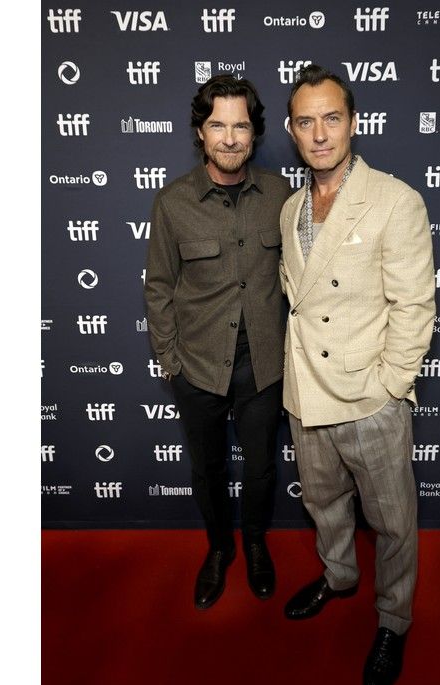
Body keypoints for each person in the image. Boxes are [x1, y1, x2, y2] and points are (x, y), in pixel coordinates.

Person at [279, 65, 436, 685]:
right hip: (307, 393)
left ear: (354, 123)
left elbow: (414, 305)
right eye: (306, 121)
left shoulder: (396, 200)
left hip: (370, 399)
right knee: (322, 504)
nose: (320, 133)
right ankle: (340, 576)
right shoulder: (291, 207)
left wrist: (391, 385)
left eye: (332, 118)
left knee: (394, 522)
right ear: (292, 132)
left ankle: (393, 620)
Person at [144, 75, 292, 610]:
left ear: (254, 132)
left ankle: (254, 544)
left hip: (264, 367)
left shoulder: (281, 195)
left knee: (260, 468)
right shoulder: (173, 203)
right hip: (199, 367)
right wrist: (169, 361)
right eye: (217, 125)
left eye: (240, 125)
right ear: (200, 133)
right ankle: (218, 549)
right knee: (206, 470)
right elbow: (159, 286)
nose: (230, 138)